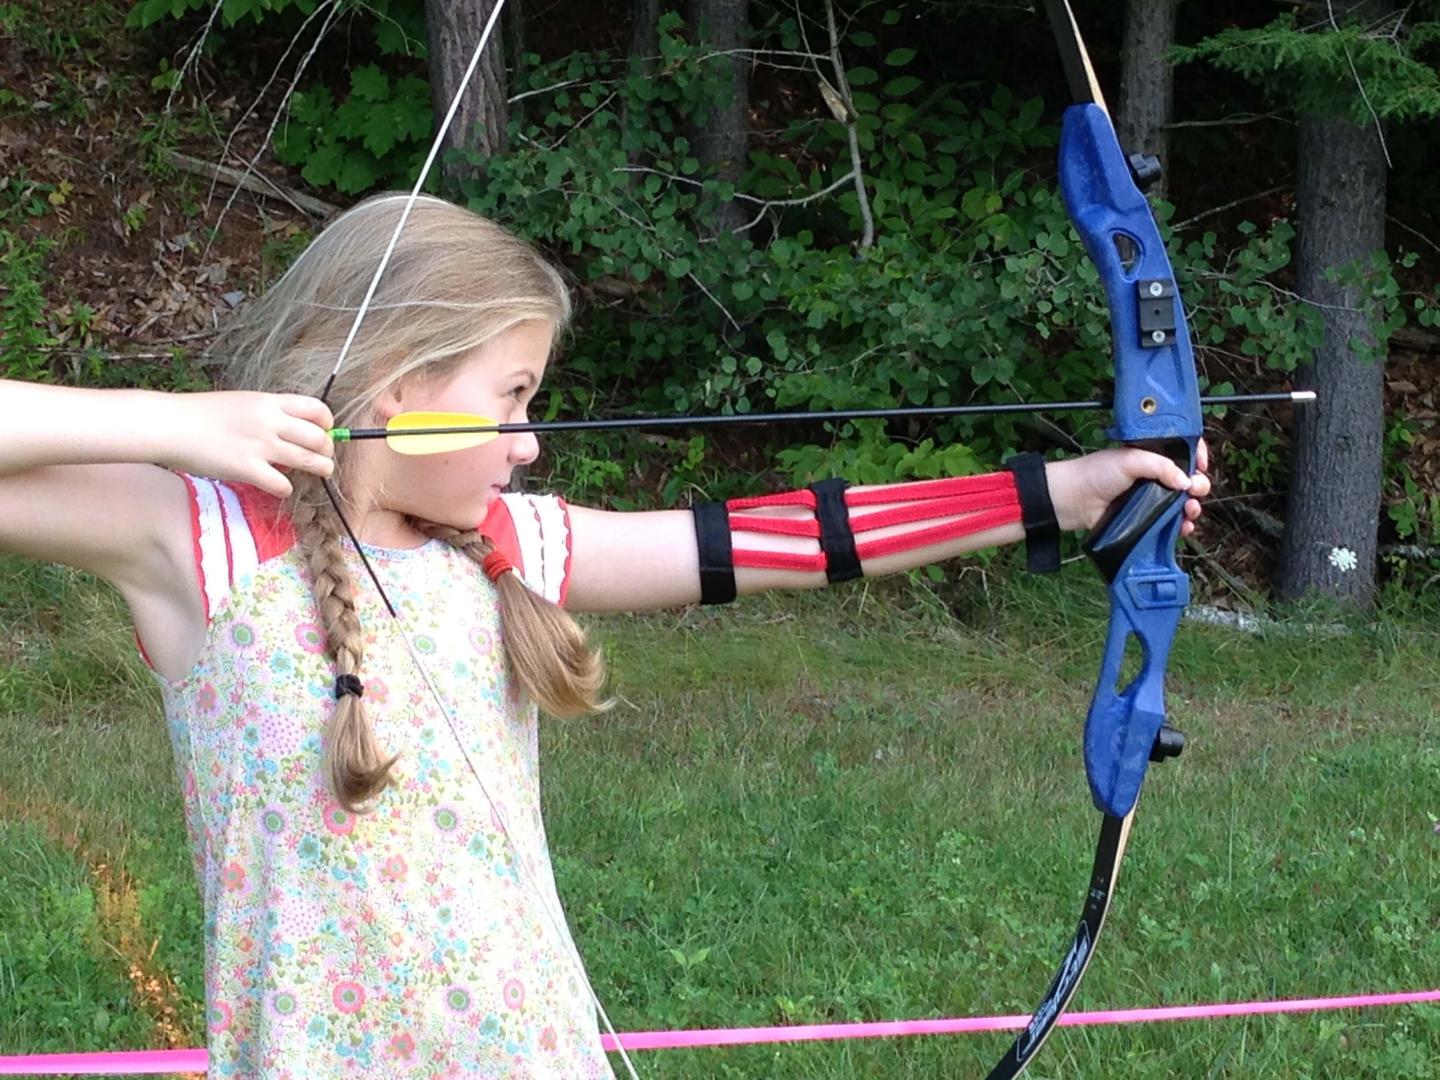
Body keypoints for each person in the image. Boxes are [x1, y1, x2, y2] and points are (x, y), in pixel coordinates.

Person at [0, 193, 1210, 1078]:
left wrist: (1061, 495)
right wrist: (167, 423)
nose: (530, 440)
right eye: (512, 396)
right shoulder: (201, 544)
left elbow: (778, 541)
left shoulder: (511, 545)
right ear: (395, 388)